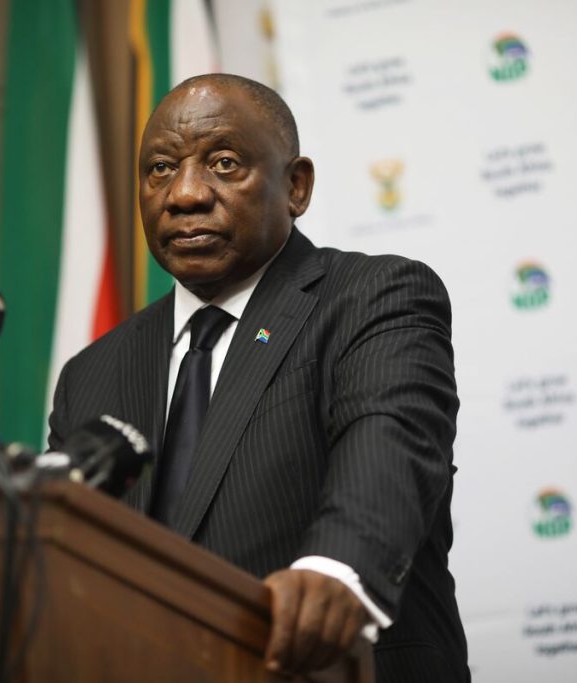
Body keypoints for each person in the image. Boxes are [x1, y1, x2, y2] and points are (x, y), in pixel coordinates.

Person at [48, 73, 469, 682]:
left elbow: (390, 444)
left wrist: (334, 570)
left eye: (223, 163)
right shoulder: (91, 374)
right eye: (160, 169)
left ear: (296, 187)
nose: (184, 194)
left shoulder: (372, 297)